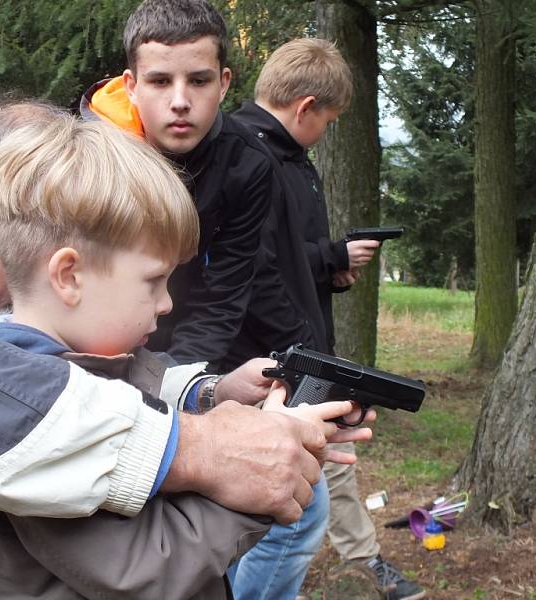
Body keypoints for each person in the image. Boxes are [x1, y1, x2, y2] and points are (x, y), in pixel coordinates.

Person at [0, 98, 331, 599]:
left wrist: (201, 395)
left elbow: (2, 371)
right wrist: (207, 454)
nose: (40, 266)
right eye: (26, 222)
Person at [0, 114, 372, 600]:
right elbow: (151, 569)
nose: (167, 303)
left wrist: (224, 398)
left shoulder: (87, 365)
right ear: (69, 277)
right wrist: (261, 478)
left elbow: (141, 394)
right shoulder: (31, 416)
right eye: (153, 281)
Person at [224, 39, 426, 600]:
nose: (327, 132)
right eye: (330, 122)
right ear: (306, 106)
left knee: (311, 493)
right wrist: (305, 353)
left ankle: (362, 557)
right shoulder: (250, 156)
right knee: (294, 521)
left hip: (290, 349)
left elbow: (286, 256)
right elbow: (255, 272)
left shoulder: (289, 158)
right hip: (269, 362)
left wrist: (330, 264)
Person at [80, 0, 276, 371]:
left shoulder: (248, 164)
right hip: (85, 351)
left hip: (188, 350)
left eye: (199, 81)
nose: (181, 102)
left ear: (223, 84)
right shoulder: (83, 156)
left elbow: (221, 297)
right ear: (131, 86)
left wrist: (176, 383)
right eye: (160, 81)